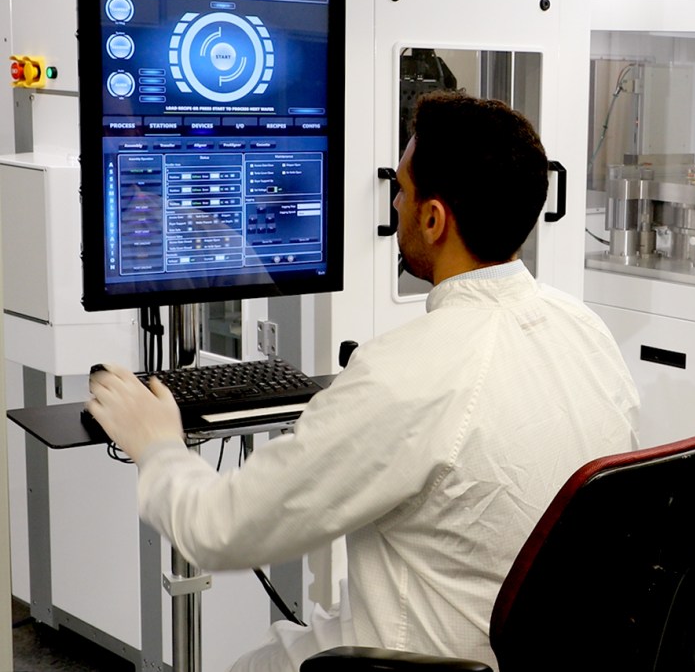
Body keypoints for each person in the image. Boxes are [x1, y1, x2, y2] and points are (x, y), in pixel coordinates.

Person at [87, 91, 640, 671]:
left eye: (401, 190)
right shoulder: (585, 330)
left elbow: (220, 528)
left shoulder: (408, 373)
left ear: (433, 219)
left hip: (433, 660)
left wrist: (157, 446)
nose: (396, 204)